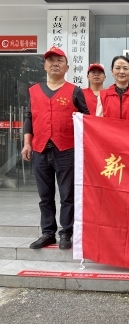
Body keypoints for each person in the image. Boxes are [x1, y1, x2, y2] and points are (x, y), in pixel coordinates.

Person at [21, 47, 89, 250]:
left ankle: (66, 232)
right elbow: (29, 117)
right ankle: (48, 232)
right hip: (40, 149)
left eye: (59, 60)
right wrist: (27, 143)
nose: (55, 64)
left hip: (67, 149)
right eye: (50, 60)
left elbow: (87, 120)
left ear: (67, 67)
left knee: (68, 195)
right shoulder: (34, 91)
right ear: (45, 66)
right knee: (45, 195)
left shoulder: (75, 91)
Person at [96, 56, 129, 121]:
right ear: (112, 71)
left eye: (125, 68)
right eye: (117, 68)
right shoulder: (102, 96)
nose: (122, 72)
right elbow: (98, 124)